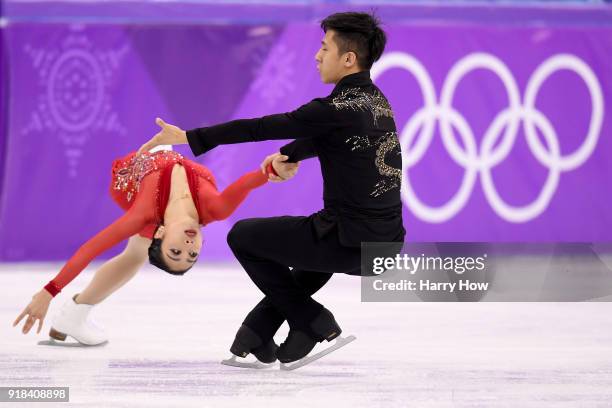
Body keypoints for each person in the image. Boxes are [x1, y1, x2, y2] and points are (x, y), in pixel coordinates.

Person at [136, 11, 405, 365]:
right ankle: (257, 332)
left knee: (244, 237)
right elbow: (336, 139)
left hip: (349, 240)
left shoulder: (334, 108)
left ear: (349, 58)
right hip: (385, 245)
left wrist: (189, 137)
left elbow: (260, 127)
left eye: (325, 48)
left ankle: (313, 321)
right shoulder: (376, 103)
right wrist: (289, 154)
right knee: (310, 260)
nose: (317, 55)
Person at [12, 147, 298, 347]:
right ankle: (73, 315)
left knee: (135, 254)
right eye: (192, 254)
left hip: (128, 182)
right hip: (160, 160)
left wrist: (48, 292)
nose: (187, 246)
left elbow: (90, 249)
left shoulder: (144, 214)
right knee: (135, 255)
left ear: (159, 233)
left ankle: (72, 314)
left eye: (176, 252)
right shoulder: (215, 209)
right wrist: (274, 168)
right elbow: (248, 182)